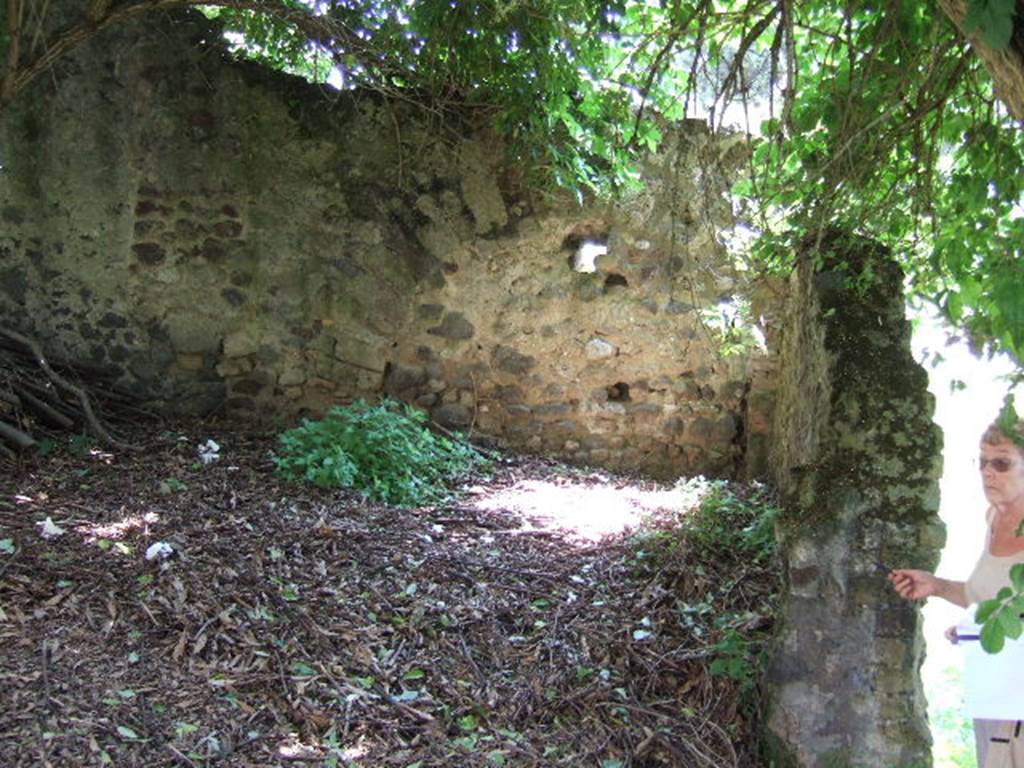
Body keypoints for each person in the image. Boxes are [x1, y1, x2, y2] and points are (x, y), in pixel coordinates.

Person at [890, 418, 1024, 768]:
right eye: (982, 461)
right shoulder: (994, 519)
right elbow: (992, 599)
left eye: (1001, 463)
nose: (987, 473)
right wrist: (937, 587)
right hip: (993, 692)